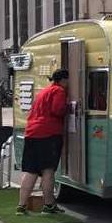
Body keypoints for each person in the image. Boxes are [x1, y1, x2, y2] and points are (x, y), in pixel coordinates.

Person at [16, 69, 69, 215]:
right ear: (64, 80)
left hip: (32, 133)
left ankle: (21, 206)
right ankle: (49, 205)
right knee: (48, 171)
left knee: (31, 170)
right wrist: (70, 108)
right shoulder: (59, 91)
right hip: (48, 135)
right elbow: (57, 110)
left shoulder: (44, 91)